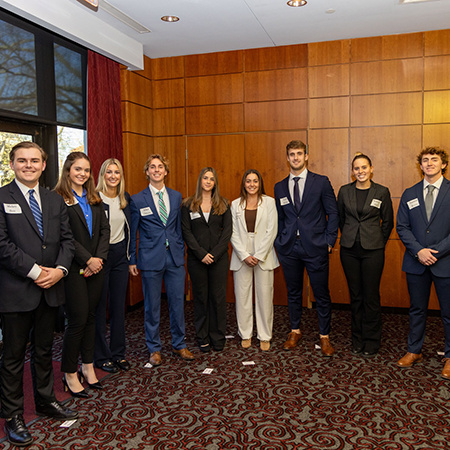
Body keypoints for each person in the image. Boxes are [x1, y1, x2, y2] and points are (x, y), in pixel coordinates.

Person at [0, 142, 77, 447]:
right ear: (12, 164)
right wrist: (36, 272)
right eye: (22, 161)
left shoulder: (54, 199)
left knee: (45, 351)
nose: (28, 165)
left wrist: (60, 270)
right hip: (17, 290)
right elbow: (2, 246)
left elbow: (67, 241)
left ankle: (45, 400)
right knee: (13, 357)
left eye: (34, 161)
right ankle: (13, 415)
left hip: (51, 288)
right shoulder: (1, 197)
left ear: (44, 165)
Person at [274, 140, 339, 356]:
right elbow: (281, 218)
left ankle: (324, 336)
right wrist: (280, 240)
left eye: (299, 154)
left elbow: (333, 213)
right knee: (293, 292)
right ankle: (295, 331)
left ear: (306, 156)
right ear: (287, 158)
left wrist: (329, 241)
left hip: (316, 247)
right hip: (290, 248)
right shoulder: (280, 187)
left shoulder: (321, 182)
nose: (295, 158)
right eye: (291, 154)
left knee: (321, 293)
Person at [129, 154, 194, 366]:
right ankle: (154, 348)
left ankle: (179, 344)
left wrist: (180, 249)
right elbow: (133, 231)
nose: (156, 170)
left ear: (166, 171)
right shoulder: (138, 199)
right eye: (152, 167)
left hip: (174, 258)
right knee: (152, 306)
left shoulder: (176, 197)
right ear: (147, 172)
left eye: (160, 167)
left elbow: (176, 228)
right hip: (149, 259)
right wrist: (132, 259)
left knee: (177, 303)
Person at [55, 152, 110, 398]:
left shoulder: (94, 198)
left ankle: (88, 367)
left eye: (86, 170)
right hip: (74, 269)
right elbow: (63, 235)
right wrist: (87, 259)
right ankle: (69, 372)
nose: (82, 174)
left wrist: (97, 259)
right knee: (76, 321)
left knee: (90, 317)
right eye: (78, 169)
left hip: (96, 267)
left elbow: (104, 231)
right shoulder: (58, 199)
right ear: (68, 171)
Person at [396, 147, 450, 379]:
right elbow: (402, 226)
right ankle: (414, 350)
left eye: (434, 160)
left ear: (444, 164)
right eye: (425, 160)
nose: (429, 163)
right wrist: (419, 251)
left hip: (444, 261)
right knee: (417, 309)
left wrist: (436, 252)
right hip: (416, 261)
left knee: (448, 313)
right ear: (420, 165)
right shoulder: (409, 193)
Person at [337, 153, 393, 357]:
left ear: (371, 169)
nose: (360, 171)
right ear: (352, 172)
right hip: (349, 250)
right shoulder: (344, 191)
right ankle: (357, 338)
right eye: (356, 168)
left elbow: (387, 223)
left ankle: (372, 340)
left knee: (370, 296)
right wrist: (351, 236)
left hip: (373, 251)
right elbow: (341, 219)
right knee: (356, 296)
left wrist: (377, 241)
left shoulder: (382, 192)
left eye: (364, 167)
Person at [181, 167, 231, 352]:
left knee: (218, 299)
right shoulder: (188, 204)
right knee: (201, 298)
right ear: (200, 181)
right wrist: (201, 253)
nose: (208, 181)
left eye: (212, 178)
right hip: (196, 260)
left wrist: (215, 254)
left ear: (215, 182)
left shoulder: (224, 204)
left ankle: (218, 337)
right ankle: (202, 336)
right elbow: (186, 232)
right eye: (205, 178)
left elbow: (227, 233)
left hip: (219, 260)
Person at [230, 169, 279, 351]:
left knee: (265, 296)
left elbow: (272, 230)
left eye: (255, 181)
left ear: (260, 183)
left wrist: (258, 255)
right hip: (241, 255)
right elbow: (232, 232)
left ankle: (265, 335)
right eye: (248, 181)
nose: (252, 184)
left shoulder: (270, 202)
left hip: (263, 255)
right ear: (244, 183)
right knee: (242, 297)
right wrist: (244, 255)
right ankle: (245, 333)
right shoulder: (235, 204)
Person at [94, 158, 131, 373]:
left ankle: (118, 354)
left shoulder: (124, 199)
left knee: (118, 309)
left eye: (117, 172)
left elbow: (129, 230)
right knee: (99, 309)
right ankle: (101, 356)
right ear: (102, 175)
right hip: (100, 257)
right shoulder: (94, 199)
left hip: (119, 257)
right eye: (109, 172)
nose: (113, 176)